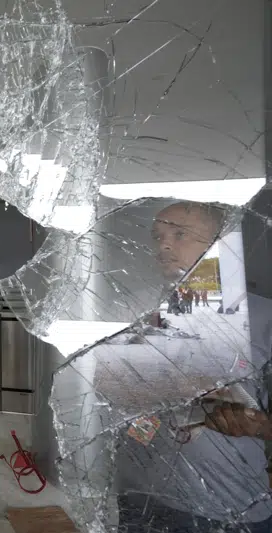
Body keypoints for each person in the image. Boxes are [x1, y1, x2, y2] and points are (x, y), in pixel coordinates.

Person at [117, 200, 272, 532]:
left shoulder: (263, 319)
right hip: (138, 498)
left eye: (179, 234)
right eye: (157, 236)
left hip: (227, 511)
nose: (164, 244)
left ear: (221, 243)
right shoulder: (140, 314)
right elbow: (111, 397)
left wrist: (257, 426)